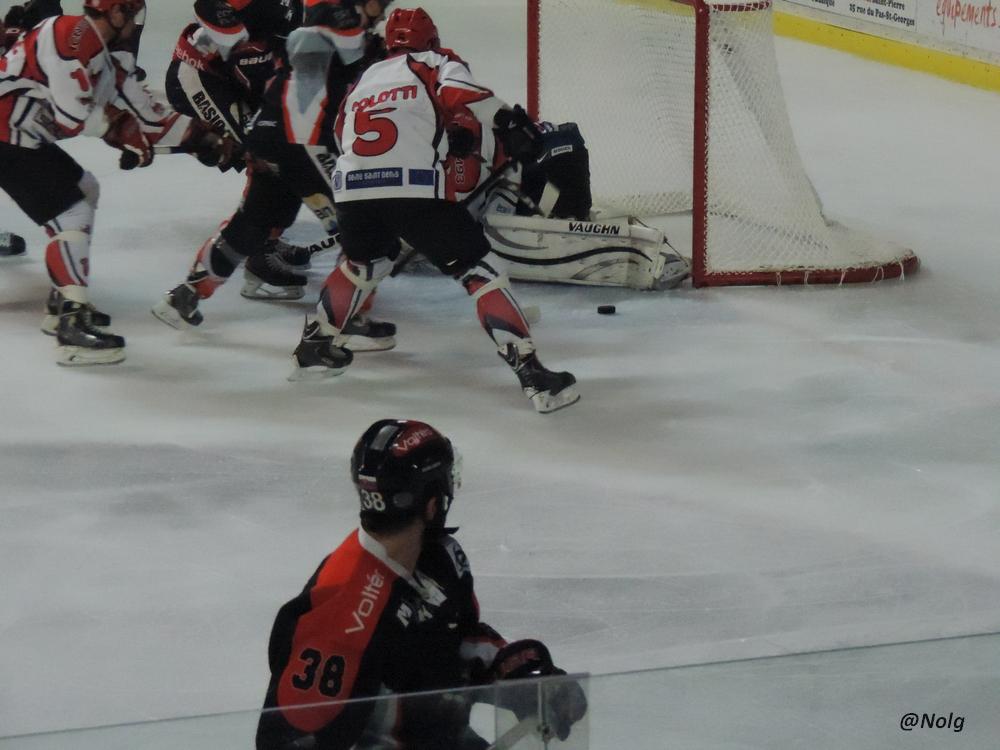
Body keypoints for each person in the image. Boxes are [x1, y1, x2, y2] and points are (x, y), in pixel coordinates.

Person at [289, 7, 579, 413]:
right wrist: (512, 124)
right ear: (432, 40)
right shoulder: (435, 62)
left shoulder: (363, 80)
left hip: (352, 191)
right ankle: (534, 376)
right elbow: (464, 95)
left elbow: (342, 134)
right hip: (415, 190)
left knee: (363, 265)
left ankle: (314, 349)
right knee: (481, 271)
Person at [256, 418, 587, 750]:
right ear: (431, 503)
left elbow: (449, 642)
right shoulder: (343, 610)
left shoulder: (440, 558)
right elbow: (290, 740)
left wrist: (514, 672)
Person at [152, 0, 397, 351]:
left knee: (253, 220)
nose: (381, 13)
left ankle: (185, 295)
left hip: (268, 134)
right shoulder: (341, 29)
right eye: (377, 5)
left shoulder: (299, 36)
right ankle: (343, 321)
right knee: (361, 228)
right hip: (302, 141)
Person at [0, 0, 232, 365]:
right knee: (72, 213)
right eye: (132, 13)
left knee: (86, 190)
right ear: (116, 13)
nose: (137, 23)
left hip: (20, 137)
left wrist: (202, 137)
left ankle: (63, 301)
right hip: (6, 138)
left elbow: (148, 117)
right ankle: (71, 326)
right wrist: (121, 130)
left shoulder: (106, 52)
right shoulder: (68, 37)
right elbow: (73, 114)